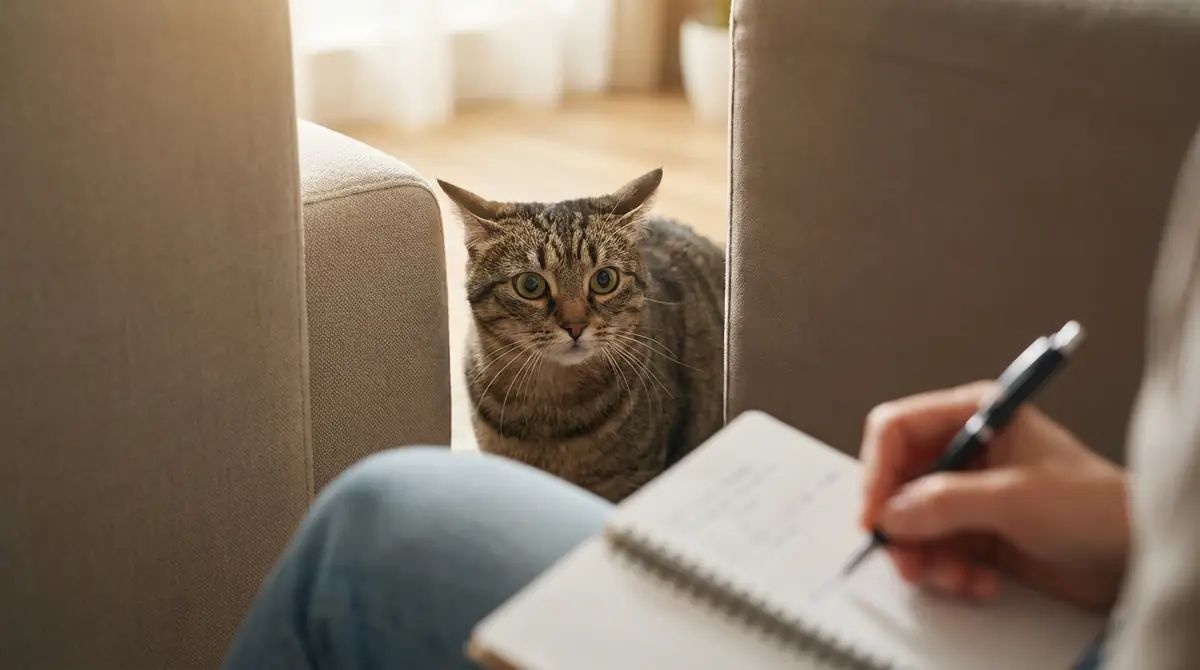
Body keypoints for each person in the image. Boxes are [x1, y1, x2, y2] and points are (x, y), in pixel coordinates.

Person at [222, 138, 1200, 669]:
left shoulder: (645, 348)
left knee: (368, 521)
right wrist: (1129, 529)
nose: (571, 317)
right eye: (538, 294)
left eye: (600, 290)